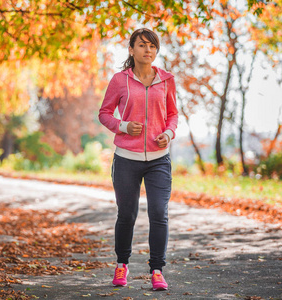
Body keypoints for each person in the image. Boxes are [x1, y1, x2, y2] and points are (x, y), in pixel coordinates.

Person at [98, 28, 178, 291]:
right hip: (126, 159)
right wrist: (122, 126)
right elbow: (105, 113)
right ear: (131, 50)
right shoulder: (120, 80)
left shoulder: (166, 80)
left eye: (152, 46)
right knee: (127, 214)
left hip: (158, 159)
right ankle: (122, 264)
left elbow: (173, 114)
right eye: (142, 46)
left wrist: (168, 132)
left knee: (159, 213)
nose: (148, 50)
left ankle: (157, 270)